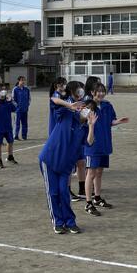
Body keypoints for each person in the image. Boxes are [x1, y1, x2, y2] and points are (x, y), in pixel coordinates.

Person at [38, 95, 97, 234]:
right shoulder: (67, 115)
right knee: (53, 193)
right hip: (49, 160)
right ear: (81, 107)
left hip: (66, 165)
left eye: (91, 110)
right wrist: (69, 105)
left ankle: (70, 222)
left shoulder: (85, 129)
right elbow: (53, 99)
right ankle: (58, 222)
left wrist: (91, 126)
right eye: (86, 108)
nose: (87, 111)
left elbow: (89, 142)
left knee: (64, 192)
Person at [84, 82, 128, 214]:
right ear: (92, 92)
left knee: (99, 173)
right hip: (93, 146)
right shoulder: (88, 107)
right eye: (98, 91)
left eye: (103, 91)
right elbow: (84, 124)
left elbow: (110, 121)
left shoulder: (107, 105)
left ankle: (97, 197)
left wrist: (118, 121)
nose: (101, 93)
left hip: (104, 144)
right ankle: (88, 203)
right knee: (91, 173)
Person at [0, 83, 17, 169]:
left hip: (7, 125)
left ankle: (10, 156)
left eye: (5, 89)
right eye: (2, 89)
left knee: (10, 141)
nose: (4, 91)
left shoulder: (8, 100)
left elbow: (15, 109)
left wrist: (11, 101)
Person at [12, 76, 31, 140]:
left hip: (25, 109)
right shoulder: (15, 89)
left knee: (25, 123)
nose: (23, 82)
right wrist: (17, 106)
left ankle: (24, 136)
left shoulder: (26, 89)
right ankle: (15, 136)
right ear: (18, 81)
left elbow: (29, 98)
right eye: (22, 80)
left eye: (24, 80)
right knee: (17, 123)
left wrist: (27, 105)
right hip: (18, 110)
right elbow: (13, 99)